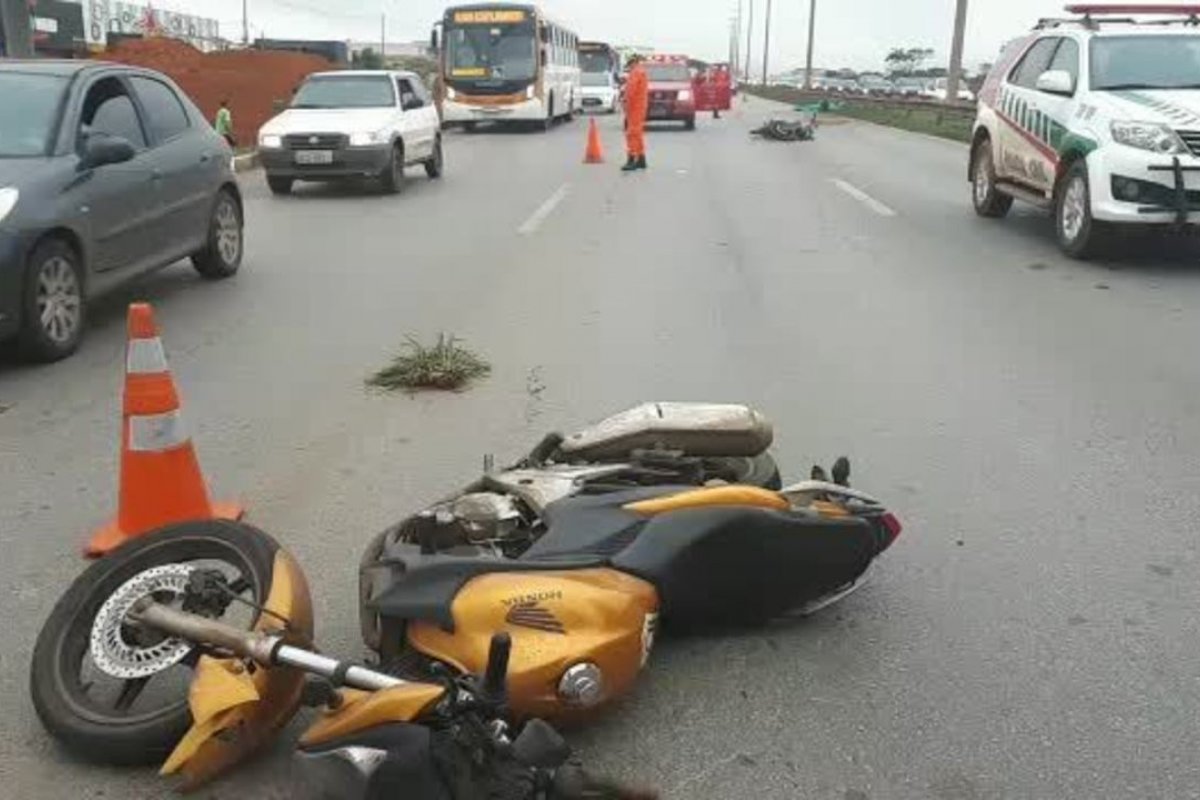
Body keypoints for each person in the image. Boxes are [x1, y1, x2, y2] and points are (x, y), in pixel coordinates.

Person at [622, 55, 648, 172]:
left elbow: (631, 91)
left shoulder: (636, 72)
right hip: (639, 106)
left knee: (632, 133)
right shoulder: (640, 71)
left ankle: (632, 159)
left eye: (629, 64)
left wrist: (625, 102)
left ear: (632, 62)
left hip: (634, 107)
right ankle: (641, 159)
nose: (629, 67)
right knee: (637, 133)